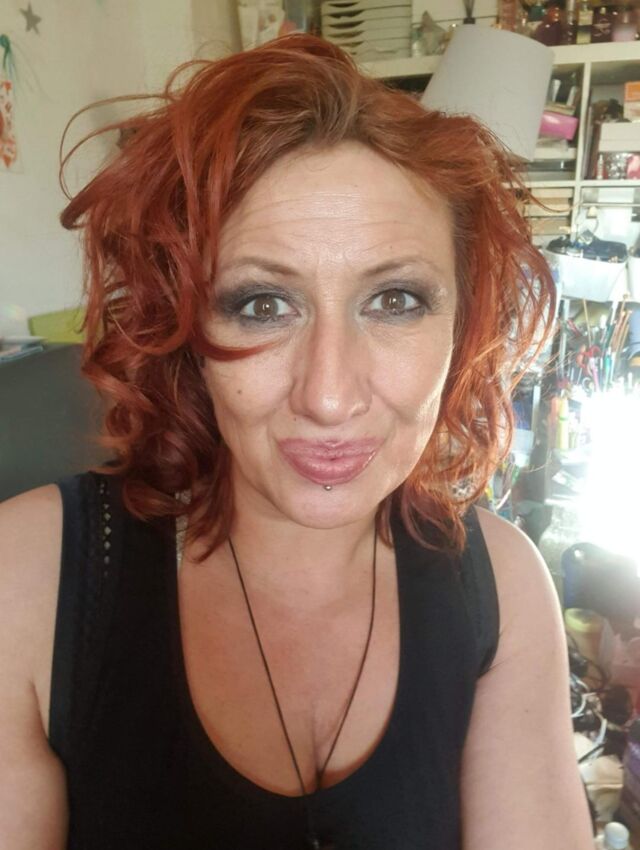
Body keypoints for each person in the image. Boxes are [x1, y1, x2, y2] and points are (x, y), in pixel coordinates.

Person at [0, 34, 593, 850]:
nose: (328, 395)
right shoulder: (27, 579)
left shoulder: (503, 586)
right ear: (184, 330)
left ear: (464, 324)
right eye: (262, 305)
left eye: (395, 300)